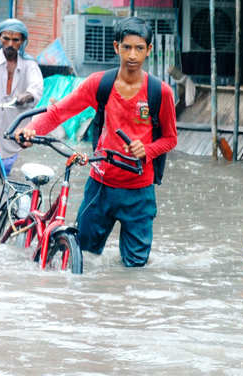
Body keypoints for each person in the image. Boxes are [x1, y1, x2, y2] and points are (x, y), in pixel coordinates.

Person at [17, 17, 177, 267]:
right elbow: (60, 112)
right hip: (100, 187)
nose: (132, 55)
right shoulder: (99, 84)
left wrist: (147, 149)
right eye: (127, 47)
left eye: (139, 48)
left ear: (149, 50)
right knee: (83, 256)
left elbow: (170, 138)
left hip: (140, 192)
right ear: (116, 47)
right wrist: (30, 130)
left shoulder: (160, 92)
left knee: (135, 267)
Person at [0, 18, 43, 175]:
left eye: (15, 40)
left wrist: (26, 96)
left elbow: (36, 89)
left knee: (17, 177)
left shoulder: (30, 65)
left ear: (22, 41)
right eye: (6, 39)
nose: (10, 44)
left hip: (17, 129)